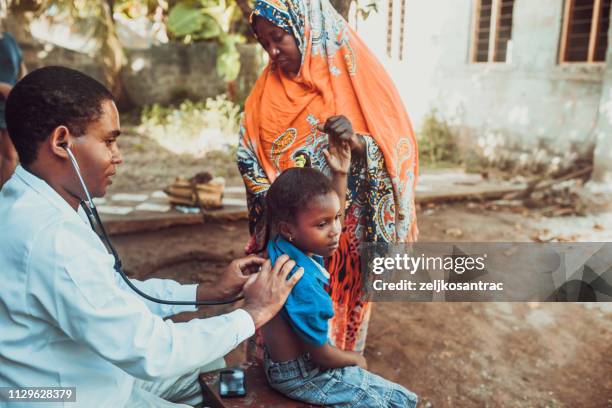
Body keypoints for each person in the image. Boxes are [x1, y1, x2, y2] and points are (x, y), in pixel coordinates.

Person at [0, 66, 303, 407]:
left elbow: (113, 295)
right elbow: (153, 351)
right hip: (66, 396)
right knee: (204, 373)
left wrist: (207, 292)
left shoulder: (35, 198)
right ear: (61, 142)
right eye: (108, 141)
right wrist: (253, 312)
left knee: (209, 367)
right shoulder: (51, 238)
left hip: (87, 373)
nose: (118, 156)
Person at [238, 0, 419, 353]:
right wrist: (284, 203)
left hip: (344, 250)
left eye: (279, 38)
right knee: (281, 343)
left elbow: (398, 149)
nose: (273, 52)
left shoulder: (357, 81)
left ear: (305, 29)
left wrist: (358, 145)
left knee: (336, 338)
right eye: (265, 44)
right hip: (289, 248)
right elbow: (248, 157)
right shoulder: (264, 96)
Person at [262, 166, 418, 407]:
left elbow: (322, 212)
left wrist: (339, 175)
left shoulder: (281, 244)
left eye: (336, 218)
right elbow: (322, 356)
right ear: (288, 229)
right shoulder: (303, 285)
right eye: (322, 224)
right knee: (394, 401)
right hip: (300, 376)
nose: (336, 230)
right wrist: (355, 358)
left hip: (278, 362)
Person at [0, 22, 26, 188]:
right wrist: (4, 88)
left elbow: (21, 66)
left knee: (11, 155)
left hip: (10, 104)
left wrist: (24, 85)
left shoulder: (8, 38)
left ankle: (4, 200)